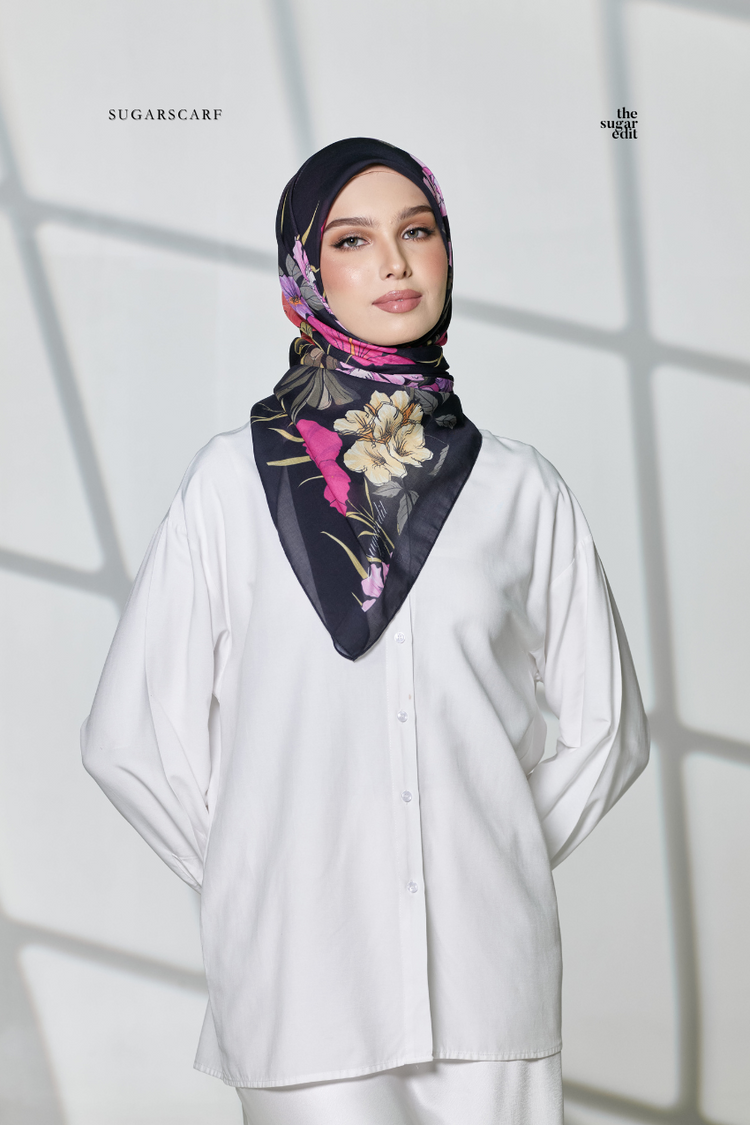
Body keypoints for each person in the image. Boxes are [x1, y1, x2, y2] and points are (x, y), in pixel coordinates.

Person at [81, 137, 649, 1124]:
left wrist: (491, 857)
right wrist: (259, 878)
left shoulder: (521, 489)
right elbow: (124, 740)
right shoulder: (230, 485)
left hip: (489, 983)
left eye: (417, 231)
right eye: (352, 240)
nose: (394, 262)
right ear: (305, 273)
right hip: (300, 985)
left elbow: (612, 731)